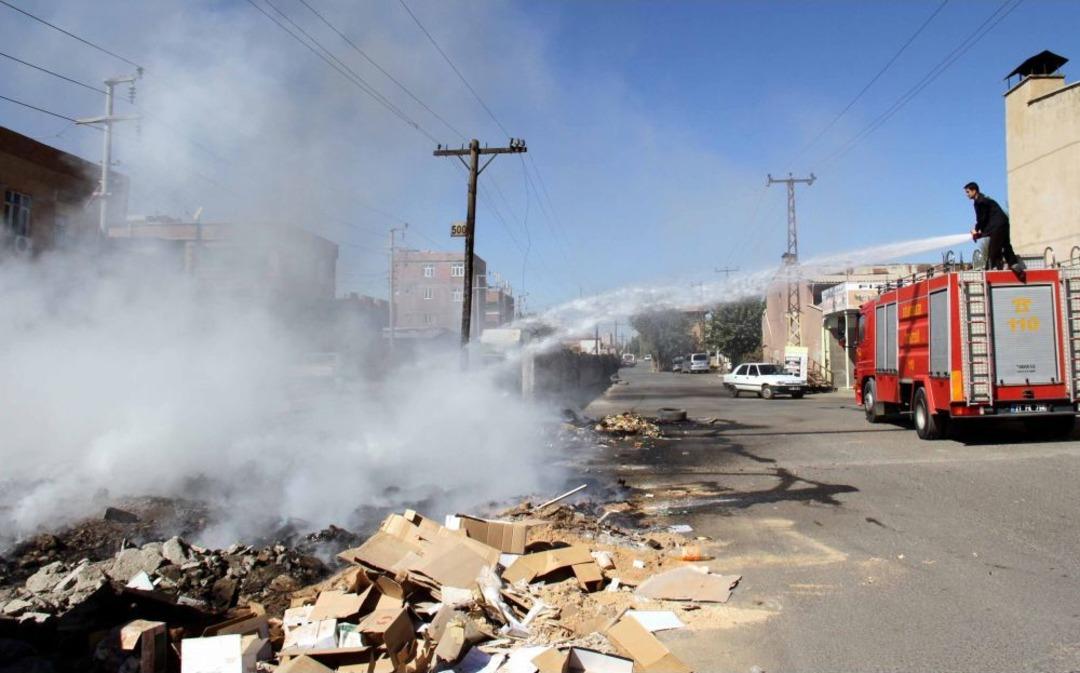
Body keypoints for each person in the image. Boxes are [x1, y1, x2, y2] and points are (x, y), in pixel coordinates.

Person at [964, 181, 1025, 274]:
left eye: (968, 192)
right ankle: (1014, 265)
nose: (966, 194)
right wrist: (980, 233)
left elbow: (982, 219)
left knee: (993, 251)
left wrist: (976, 230)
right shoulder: (984, 199)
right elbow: (987, 220)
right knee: (1006, 245)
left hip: (997, 226)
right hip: (1003, 223)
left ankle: (991, 271)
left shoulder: (980, 202)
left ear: (974, 191)